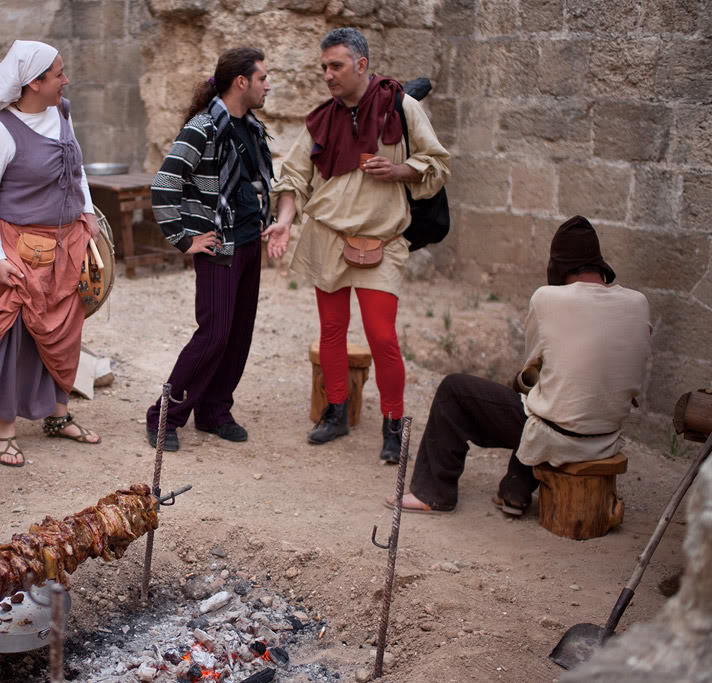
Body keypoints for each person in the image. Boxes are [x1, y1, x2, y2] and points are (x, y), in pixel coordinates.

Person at [265, 28, 450, 461]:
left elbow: (437, 162)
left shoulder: (401, 107)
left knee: (382, 336)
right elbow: (293, 177)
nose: (327, 75)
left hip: (382, 239)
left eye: (336, 66)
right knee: (331, 331)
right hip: (327, 237)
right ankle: (335, 412)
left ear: (361, 65)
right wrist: (285, 222)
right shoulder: (321, 119)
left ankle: (392, 422)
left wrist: (400, 170)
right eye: (324, 67)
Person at [389, 216, 651, 514]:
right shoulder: (638, 302)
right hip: (606, 436)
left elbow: (533, 368)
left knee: (457, 390)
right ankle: (514, 489)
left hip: (560, 434)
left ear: (559, 265)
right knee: (553, 401)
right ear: (599, 266)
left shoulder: (547, 298)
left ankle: (432, 493)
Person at [0, 40, 102, 467]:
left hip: (68, 241)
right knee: (16, 332)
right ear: (34, 82)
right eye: (58, 74)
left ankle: (57, 415)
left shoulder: (62, 112)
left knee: (63, 328)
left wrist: (88, 211)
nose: (65, 80)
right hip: (19, 246)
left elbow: (75, 169)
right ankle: (6, 430)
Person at [143, 47, 273, 452]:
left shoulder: (249, 126)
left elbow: (253, 182)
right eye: (263, 78)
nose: (268, 85)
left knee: (237, 334)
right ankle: (164, 416)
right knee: (213, 333)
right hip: (218, 246)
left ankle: (215, 411)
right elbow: (165, 184)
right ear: (242, 82)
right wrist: (185, 239)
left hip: (249, 242)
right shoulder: (204, 127)